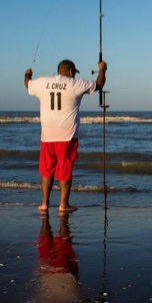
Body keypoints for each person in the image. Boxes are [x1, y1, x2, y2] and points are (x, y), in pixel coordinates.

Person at [24, 59, 107, 213]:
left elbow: (27, 84)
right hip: (67, 136)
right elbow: (99, 84)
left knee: (47, 170)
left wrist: (28, 73)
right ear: (70, 71)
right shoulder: (76, 84)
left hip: (47, 135)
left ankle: (44, 203)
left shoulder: (42, 82)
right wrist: (102, 69)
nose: (75, 76)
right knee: (65, 169)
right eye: (74, 73)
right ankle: (63, 205)